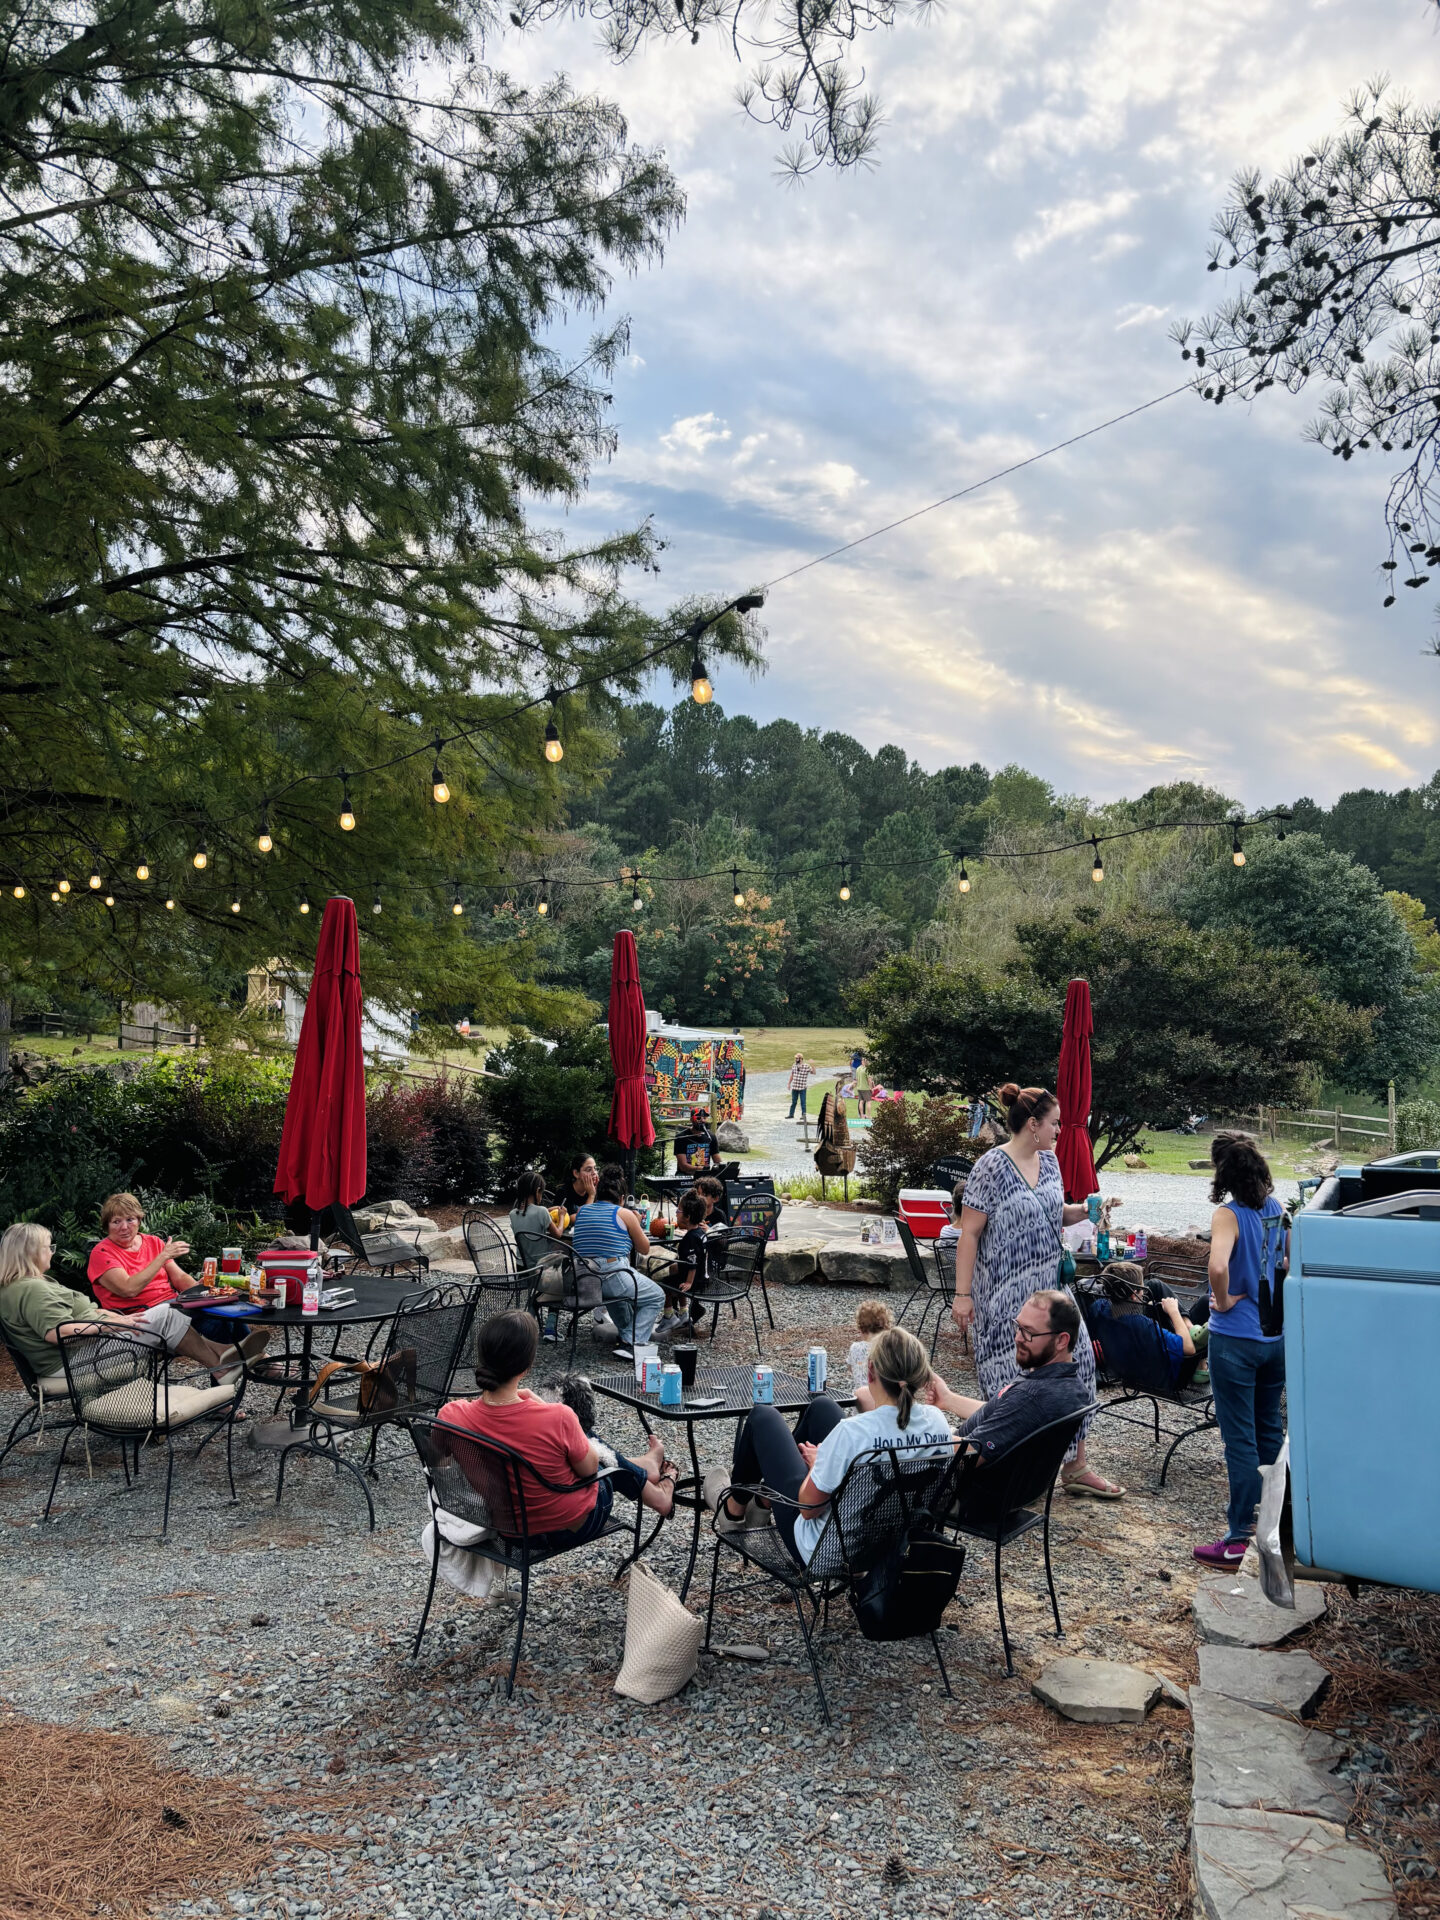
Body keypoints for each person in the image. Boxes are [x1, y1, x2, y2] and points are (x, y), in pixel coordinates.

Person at [949, 1082, 1122, 1499]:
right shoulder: (990, 1167)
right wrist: (962, 1294)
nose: (1060, 1131)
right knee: (1013, 1380)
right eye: (1055, 1124)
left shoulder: (1050, 1164)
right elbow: (969, 1234)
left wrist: (1085, 1210)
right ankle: (1014, 1469)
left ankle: (1076, 1465)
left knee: (1079, 1366)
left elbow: (1054, 1213)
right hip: (1004, 1295)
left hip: (1050, 1292)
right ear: (1032, 1125)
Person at [711, 1325, 953, 1565]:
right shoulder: (937, 1421)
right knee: (823, 1407)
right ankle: (761, 1503)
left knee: (763, 1417)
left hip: (828, 1552)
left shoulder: (853, 1433)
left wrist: (819, 1464)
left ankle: (734, 1509)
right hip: (894, 1542)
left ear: (870, 1371)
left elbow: (809, 1510)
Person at [440, 1312, 676, 1550]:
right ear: (527, 1366)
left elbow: (441, 1465)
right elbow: (590, 1470)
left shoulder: (450, 1416)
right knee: (591, 1446)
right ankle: (654, 1491)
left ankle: (643, 1468)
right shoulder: (557, 1417)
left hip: (510, 1530)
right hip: (569, 1528)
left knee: (572, 1441)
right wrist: (546, 1409)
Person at [0, 1221, 268, 1384]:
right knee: (166, 1314)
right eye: (49, 1247)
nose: (52, 1252)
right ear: (33, 1252)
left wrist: (110, 1318)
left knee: (166, 1314)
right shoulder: (32, 1289)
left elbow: (73, 1318)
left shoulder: (19, 1286)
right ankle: (223, 1363)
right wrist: (112, 1324)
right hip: (75, 1362)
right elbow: (56, 1333)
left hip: (84, 1351)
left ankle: (224, 1359)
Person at [1195, 1133, 1287, 1568]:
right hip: (1274, 1338)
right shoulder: (1276, 1210)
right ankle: (1275, 1527)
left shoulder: (1227, 1215)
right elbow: (1285, 1264)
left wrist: (1227, 1296)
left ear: (1223, 1173)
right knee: (1269, 1430)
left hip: (1235, 1339)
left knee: (1240, 1440)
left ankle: (1237, 1540)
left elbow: (1217, 1266)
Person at [926, 1290, 1093, 1461]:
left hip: (953, 1478)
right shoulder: (1070, 1384)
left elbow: (968, 1455)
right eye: (1018, 1327)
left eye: (1028, 1332)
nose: (1018, 1338)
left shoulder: (1030, 1398)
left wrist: (919, 1434)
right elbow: (1004, 1417)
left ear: (1061, 1341)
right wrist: (948, 1399)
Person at [570, 1163, 666, 1359]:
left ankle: (625, 1338)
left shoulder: (582, 1212)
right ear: (622, 1198)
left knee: (619, 1297)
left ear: (598, 1193)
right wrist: (635, 1223)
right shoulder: (625, 1214)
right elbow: (644, 1248)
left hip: (584, 1277)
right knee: (656, 1295)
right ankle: (633, 1344)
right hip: (611, 1273)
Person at [1091, 1262, 1208, 1390]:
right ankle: (1197, 1351)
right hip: (1168, 1376)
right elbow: (1189, 1349)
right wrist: (1174, 1312)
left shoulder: (1098, 1308)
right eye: (1142, 1287)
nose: (1144, 1291)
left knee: (1154, 1285)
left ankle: (1190, 1328)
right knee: (1205, 1303)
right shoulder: (1143, 1325)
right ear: (1134, 1295)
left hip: (1128, 1360)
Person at [86, 1192, 206, 1314]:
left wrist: (198, 1289)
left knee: (219, 1315)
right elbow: (129, 1289)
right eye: (116, 1222)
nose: (124, 1227)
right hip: (140, 1316)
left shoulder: (153, 1242)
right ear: (107, 1225)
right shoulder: (101, 1253)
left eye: (130, 1219)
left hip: (171, 1304)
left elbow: (179, 1277)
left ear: (139, 1221)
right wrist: (163, 1256)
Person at [652, 1189, 710, 1338]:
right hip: (703, 1276)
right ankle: (683, 1313)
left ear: (687, 1217)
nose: (676, 1213)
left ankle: (669, 1316)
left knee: (663, 1284)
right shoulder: (699, 1233)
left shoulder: (689, 1239)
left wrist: (689, 1282)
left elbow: (692, 1262)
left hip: (695, 1280)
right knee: (674, 1269)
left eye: (678, 1210)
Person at [674, 1107, 718, 1177]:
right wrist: (701, 1169)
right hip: (685, 1175)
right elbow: (683, 1166)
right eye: (698, 1118)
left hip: (704, 1175)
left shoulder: (711, 1137)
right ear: (691, 1120)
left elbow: (717, 1160)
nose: (702, 1121)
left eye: (704, 1118)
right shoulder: (681, 1137)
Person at [556, 1154, 598, 1219]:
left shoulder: (596, 1190)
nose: (594, 1172)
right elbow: (581, 1220)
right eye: (589, 1170)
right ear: (576, 1173)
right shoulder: (564, 1192)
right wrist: (591, 1196)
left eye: (595, 1168)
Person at [786, 1053, 816, 1120]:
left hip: (802, 1088)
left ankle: (803, 1115)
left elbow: (814, 1073)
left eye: (797, 1058)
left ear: (801, 1059)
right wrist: (789, 1084)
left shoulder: (806, 1066)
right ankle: (791, 1114)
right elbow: (792, 1075)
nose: (796, 1060)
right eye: (795, 1058)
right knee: (794, 1102)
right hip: (795, 1087)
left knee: (803, 1102)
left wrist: (812, 1064)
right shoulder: (794, 1065)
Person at [854, 1055, 872, 1119]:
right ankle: (869, 1116)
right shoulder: (867, 1069)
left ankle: (862, 1115)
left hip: (859, 1088)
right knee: (868, 1102)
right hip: (866, 1088)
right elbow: (869, 1080)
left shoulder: (858, 1068)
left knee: (861, 1101)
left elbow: (856, 1079)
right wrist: (871, 1088)